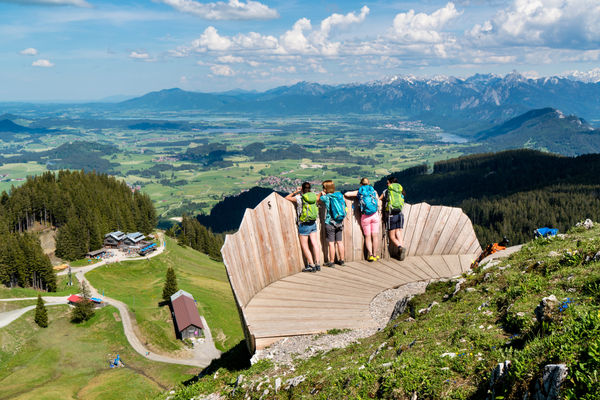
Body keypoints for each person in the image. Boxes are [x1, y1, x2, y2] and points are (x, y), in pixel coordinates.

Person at [285, 182, 321, 272]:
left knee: (305, 245)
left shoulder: (299, 197)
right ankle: (318, 264)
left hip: (304, 224)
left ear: (302, 189)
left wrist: (295, 192)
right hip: (313, 223)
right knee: (315, 243)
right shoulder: (313, 197)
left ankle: (311, 265)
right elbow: (319, 198)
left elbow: (287, 198)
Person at [344, 177, 380, 261]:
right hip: (375, 215)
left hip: (365, 217)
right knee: (375, 236)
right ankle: (375, 255)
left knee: (367, 236)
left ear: (361, 184)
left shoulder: (359, 192)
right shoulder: (373, 191)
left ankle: (370, 255)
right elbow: (377, 201)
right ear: (369, 183)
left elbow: (346, 194)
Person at [319, 180, 346, 267]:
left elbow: (319, 199)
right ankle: (341, 260)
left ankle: (331, 262)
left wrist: (321, 193)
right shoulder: (339, 196)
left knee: (331, 243)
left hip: (330, 223)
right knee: (339, 242)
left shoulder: (326, 197)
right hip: (339, 222)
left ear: (325, 188)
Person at [380, 176, 407, 261]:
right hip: (400, 214)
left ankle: (400, 247)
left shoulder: (387, 191)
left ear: (390, 183)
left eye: (387, 183)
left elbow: (379, 199)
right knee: (398, 233)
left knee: (392, 236)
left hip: (391, 215)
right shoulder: (400, 190)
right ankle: (401, 252)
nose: (387, 184)